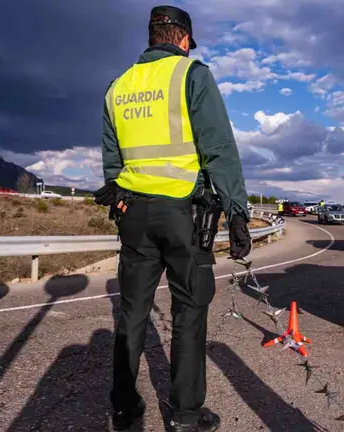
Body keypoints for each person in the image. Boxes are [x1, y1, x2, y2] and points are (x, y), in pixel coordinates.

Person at [95, 5, 251, 431]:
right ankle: (185, 416)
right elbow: (219, 148)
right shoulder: (192, 75)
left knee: (132, 313)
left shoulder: (118, 86)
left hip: (133, 215)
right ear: (183, 39)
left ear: (152, 37)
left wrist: (120, 197)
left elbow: (112, 156)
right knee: (189, 312)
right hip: (184, 214)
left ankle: (124, 406)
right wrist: (237, 212)